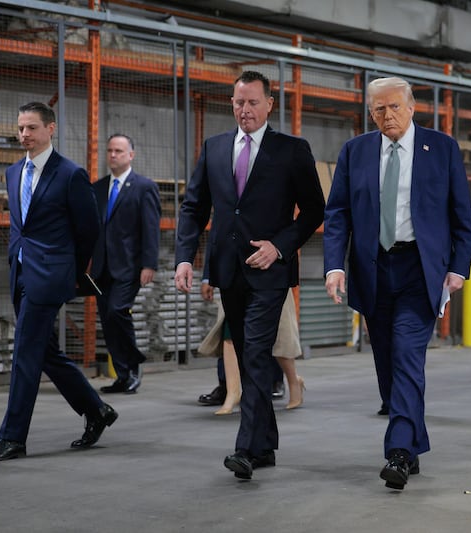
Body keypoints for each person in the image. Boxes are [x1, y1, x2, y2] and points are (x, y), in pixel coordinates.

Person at [323, 77, 471, 490]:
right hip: (373, 268)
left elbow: (461, 215)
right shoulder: (355, 151)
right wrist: (334, 266)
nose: (387, 115)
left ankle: (399, 453)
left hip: (419, 269)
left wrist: (459, 267)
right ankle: (412, 439)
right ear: (370, 113)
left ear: (411, 108)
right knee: (388, 362)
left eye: (394, 107)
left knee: (408, 354)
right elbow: (337, 213)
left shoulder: (441, 148)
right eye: (378, 109)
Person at [174, 70, 324, 480]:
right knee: (246, 355)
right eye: (239, 102)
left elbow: (314, 210)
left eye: (253, 102)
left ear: (269, 104)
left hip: (271, 271)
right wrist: (185, 258)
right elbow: (194, 207)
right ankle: (265, 445)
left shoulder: (292, 150)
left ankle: (245, 449)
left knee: (256, 353)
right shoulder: (215, 147)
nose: (245, 110)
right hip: (228, 271)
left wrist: (279, 246)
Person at [0, 102, 117, 461]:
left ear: (50, 129)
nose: (25, 134)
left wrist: (71, 270)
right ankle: (96, 410)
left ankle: (12, 437)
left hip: (51, 275)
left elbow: (88, 229)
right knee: (44, 351)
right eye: (21, 128)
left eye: (32, 128)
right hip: (21, 271)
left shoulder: (70, 174)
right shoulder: (12, 172)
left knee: (25, 351)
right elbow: (20, 226)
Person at [90, 133, 161, 394]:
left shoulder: (144, 187)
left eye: (119, 151)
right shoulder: (98, 188)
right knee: (107, 321)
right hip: (102, 268)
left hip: (129, 266)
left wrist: (149, 264)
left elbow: (151, 228)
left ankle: (133, 364)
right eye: (110, 150)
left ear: (131, 155)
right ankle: (122, 375)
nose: (113, 155)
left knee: (117, 310)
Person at [199, 283, 305, 414]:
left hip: (270, 279)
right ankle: (233, 393)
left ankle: (294, 381)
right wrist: (208, 278)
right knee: (230, 332)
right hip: (234, 279)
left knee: (278, 337)